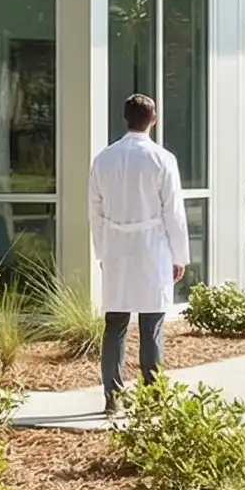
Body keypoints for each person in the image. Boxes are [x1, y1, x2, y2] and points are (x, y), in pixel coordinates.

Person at [87, 92, 189, 414]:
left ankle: (112, 397)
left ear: (124, 118)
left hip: (117, 246)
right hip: (151, 246)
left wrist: (102, 250)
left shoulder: (103, 159)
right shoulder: (162, 159)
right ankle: (153, 397)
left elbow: (95, 210)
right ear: (153, 119)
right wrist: (179, 255)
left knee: (115, 323)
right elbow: (174, 212)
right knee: (152, 323)